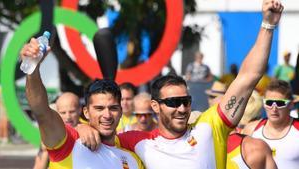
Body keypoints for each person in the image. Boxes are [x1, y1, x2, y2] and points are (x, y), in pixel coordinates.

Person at [78, 0, 283, 168]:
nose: (182, 108)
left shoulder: (209, 128)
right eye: (174, 102)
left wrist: (268, 24)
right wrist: (82, 128)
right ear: (155, 106)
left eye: (186, 101)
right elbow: (96, 132)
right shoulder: (136, 141)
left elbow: (249, 76)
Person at [20, 40, 144, 168]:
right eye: (99, 108)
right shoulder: (69, 143)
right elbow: (41, 112)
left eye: (113, 108)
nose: (107, 115)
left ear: (120, 112)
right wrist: (32, 70)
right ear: (86, 112)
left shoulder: (133, 159)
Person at [244, 79, 299, 168]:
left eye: (280, 103)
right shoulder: (250, 130)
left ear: (291, 105)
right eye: (269, 103)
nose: (274, 109)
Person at [33, 92, 81, 169]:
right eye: (63, 113)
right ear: (57, 113)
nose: (68, 117)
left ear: (80, 110)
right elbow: (39, 166)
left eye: (72, 112)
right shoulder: (51, 135)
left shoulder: (88, 128)